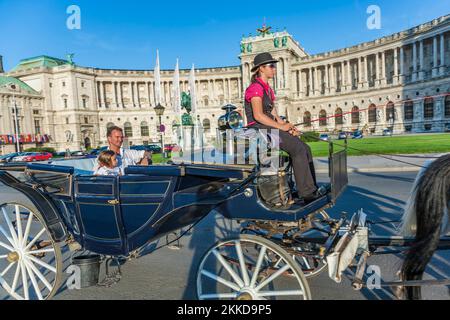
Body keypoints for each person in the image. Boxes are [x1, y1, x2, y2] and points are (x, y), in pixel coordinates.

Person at [244, 52, 325, 204]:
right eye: (271, 66)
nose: (274, 69)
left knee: (305, 147)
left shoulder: (267, 89)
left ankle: (311, 187)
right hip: (258, 130)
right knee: (297, 149)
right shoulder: (255, 88)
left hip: (267, 127)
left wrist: (287, 127)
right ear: (261, 68)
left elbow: (274, 114)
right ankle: (306, 193)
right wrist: (281, 127)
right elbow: (258, 116)